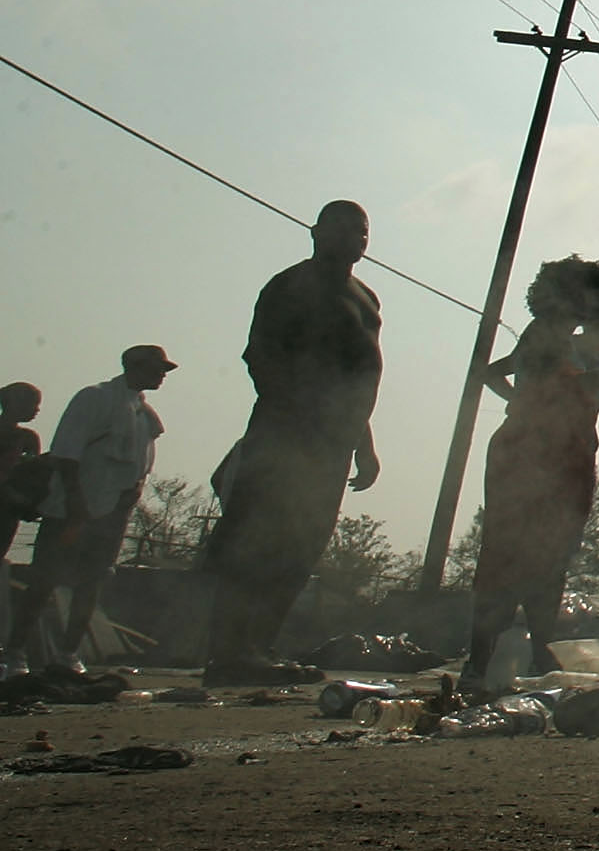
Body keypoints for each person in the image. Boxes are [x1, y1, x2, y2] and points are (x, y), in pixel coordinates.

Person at [197, 201, 385, 686]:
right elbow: (261, 357)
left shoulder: (366, 298)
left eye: (362, 230)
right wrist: (299, 416)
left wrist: (362, 442)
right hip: (287, 435)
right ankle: (229, 653)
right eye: (343, 228)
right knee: (260, 542)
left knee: (302, 546)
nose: (355, 237)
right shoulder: (291, 286)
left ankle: (258, 648)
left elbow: (357, 379)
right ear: (316, 231)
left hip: (334, 442)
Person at [463, 259, 599, 693]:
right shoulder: (543, 336)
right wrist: (525, 404)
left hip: (567, 457)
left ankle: (536, 650)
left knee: (552, 556)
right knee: (507, 552)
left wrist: (522, 401)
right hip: (530, 456)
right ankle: (482, 658)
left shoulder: (569, 343)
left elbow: (500, 374)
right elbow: (553, 385)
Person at [9, 346, 172, 672]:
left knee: (91, 584)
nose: (162, 375)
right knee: (44, 582)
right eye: (156, 368)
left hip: (111, 514)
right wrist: (76, 507)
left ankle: (67, 655)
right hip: (73, 510)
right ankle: (13, 654)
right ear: (135, 367)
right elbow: (68, 455)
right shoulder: (94, 398)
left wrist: (132, 495)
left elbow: (140, 467)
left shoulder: (143, 414)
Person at [0, 381, 46, 677]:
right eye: (32, 403)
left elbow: (33, 477)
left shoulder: (28, 439)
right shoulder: (18, 438)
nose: (36, 410)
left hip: (9, 513)